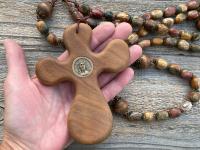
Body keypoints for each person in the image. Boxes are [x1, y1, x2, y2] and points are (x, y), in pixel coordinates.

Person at [0, 22, 142, 150]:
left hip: (92, 109)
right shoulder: (60, 68)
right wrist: (17, 144)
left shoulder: (93, 61)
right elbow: (46, 70)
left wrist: (17, 145)